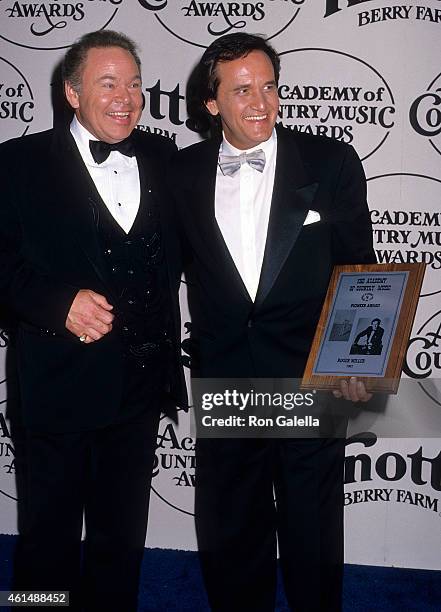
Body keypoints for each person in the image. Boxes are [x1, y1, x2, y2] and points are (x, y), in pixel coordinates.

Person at [171, 33, 375, 611]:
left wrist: (357, 363)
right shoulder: (182, 174)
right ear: (213, 106)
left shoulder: (330, 161)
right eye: (241, 91)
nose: (260, 102)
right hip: (228, 376)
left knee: (312, 530)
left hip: (312, 375)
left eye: (268, 86)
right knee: (232, 528)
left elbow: (359, 271)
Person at [0, 30, 185, 612]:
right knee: (46, 541)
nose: (125, 97)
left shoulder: (161, 156)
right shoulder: (17, 162)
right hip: (57, 384)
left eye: (134, 84)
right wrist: (58, 304)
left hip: (139, 385)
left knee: (122, 536)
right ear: (72, 92)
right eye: (108, 83)